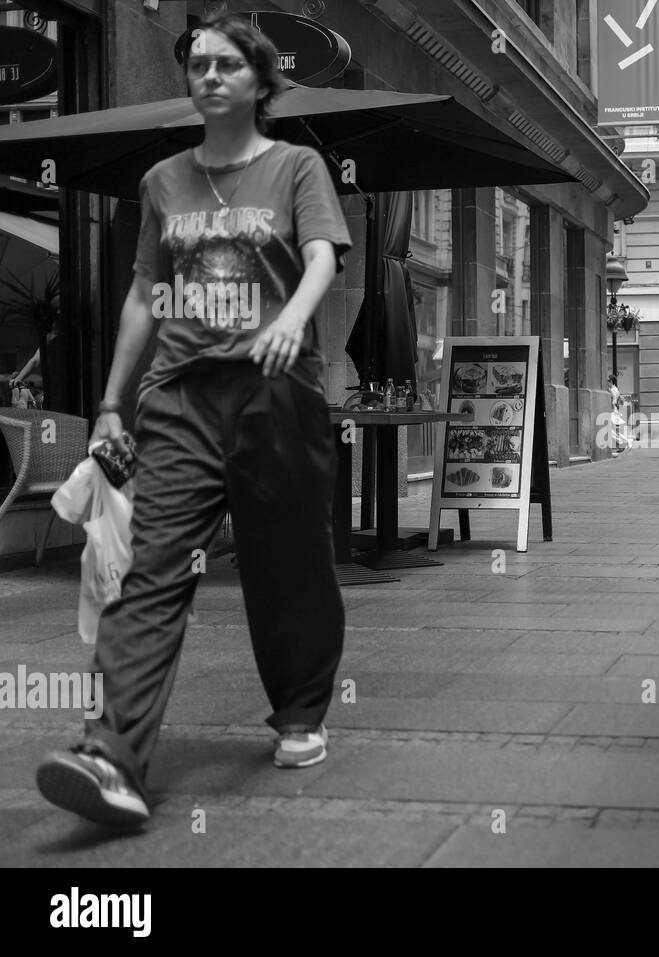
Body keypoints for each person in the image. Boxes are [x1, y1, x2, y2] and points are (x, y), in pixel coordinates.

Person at [35, 13, 352, 828]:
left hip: (275, 391)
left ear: (259, 82)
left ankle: (299, 711)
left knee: (288, 567)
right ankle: (112, 754)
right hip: (178, 398)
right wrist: (110, 399)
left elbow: (320, 255)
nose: (208, 76)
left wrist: (293, 319)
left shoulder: (297, 167)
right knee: (151, 569)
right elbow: (145, 294)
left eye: (226, 65)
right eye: (197, 64)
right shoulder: (163, 182)